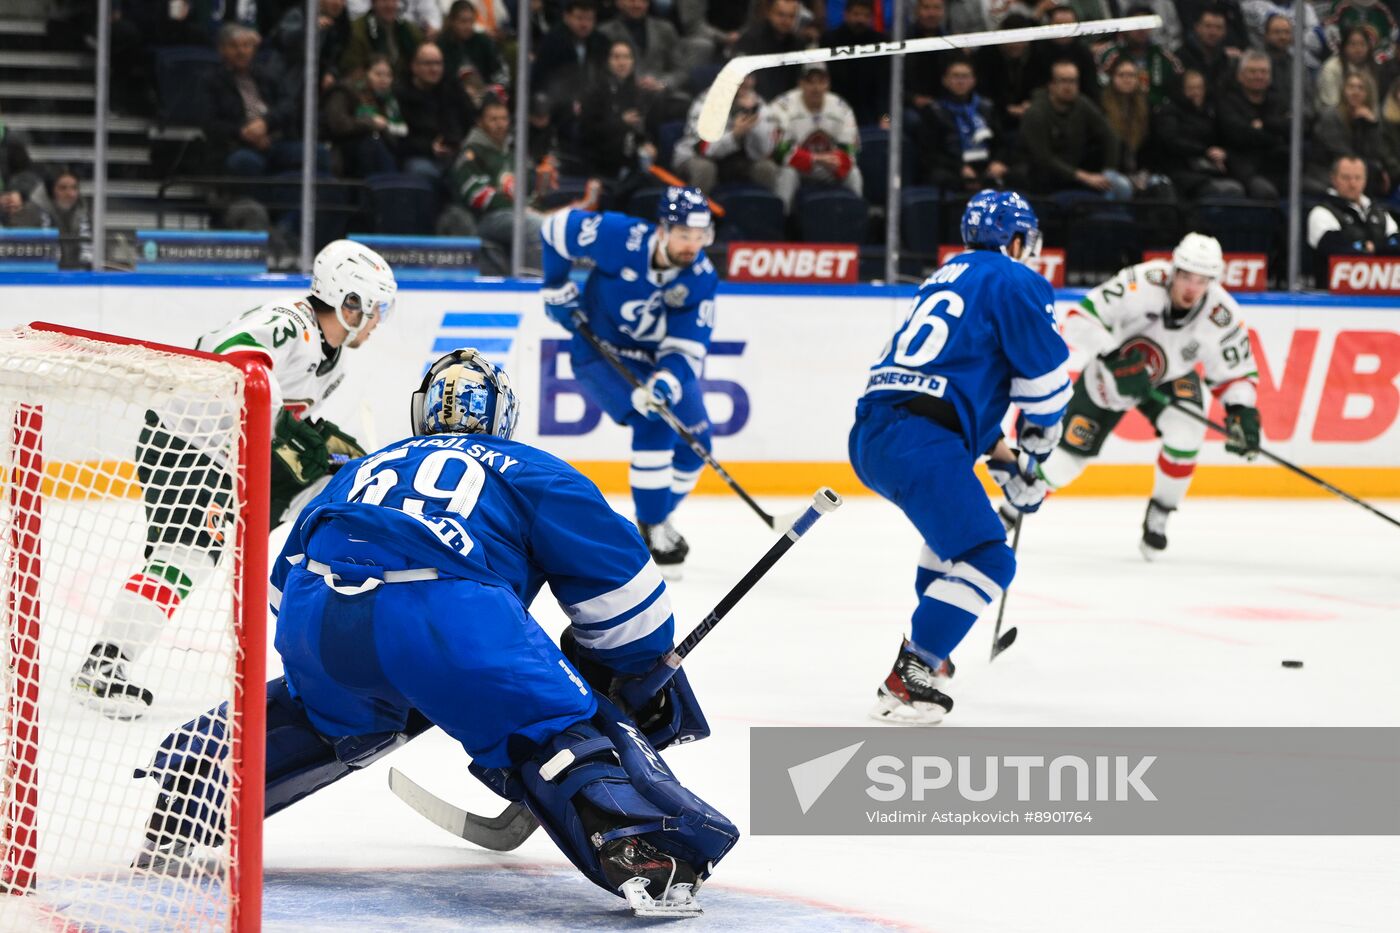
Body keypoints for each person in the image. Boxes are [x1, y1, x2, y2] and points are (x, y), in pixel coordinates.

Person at [130, 350, 737, 916]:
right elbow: (622, 595)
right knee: (557, 721)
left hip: (317, 616)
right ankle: (642, 848)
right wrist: (630, 671)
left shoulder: (368, 465)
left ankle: (191, 790)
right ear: (504, 416)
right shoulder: (530, 468)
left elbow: (281, 590)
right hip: (446, 613)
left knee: (327, 713)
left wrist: (375, 663)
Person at [70, 241, 398, 718]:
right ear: (349, 301)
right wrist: (286, 434)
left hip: (226, 457)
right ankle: (102, 666)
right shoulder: (289, 324)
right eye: (374, 310)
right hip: (185, 440)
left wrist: (312, 448)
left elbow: (287, 422)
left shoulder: (336, 362)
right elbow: (227, 358)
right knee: (185, 557)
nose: (376, 322)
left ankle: (341, 632)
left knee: (334, 487)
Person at [850, 190, 1071, 724]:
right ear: (1017, 241)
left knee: (950, 542)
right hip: (921, 441)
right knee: (990, 558)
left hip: (875, 433)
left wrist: (1001, 456)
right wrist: (1037, 454)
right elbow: (1046, 391)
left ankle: (936, 654)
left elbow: (948, 380)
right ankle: (914, 670)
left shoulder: (945, 277)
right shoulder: (1015, 280)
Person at [1024, 234, 1261, 559]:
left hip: (1171, 377)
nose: (1192, 288)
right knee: (1065, 464)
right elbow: (1078, 320)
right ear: (1173, 270)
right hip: (1109, 376)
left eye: (1203, 280)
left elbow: (1237, 372)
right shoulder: (1139, 281)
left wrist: (1240, 410)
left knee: (1188, 433)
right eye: (1187, 277)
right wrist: (1113, 356)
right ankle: (1012, 511)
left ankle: (1161, 512)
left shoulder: (1222, 315)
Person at [540, 187, 718, 574]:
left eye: (700, 236)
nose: (693, 245)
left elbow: (687, 348)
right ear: (663, 229)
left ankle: (656, 515)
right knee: (652, 420)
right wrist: (555, 284)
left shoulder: (701, 277)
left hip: (656, 360)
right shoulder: (620, 236)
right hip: (600, 353)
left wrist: (667, 380)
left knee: (698, 445)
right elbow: (554, 228)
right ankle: (652, 528)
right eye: (685, 234)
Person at [769, 62, 863, 214]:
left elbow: (850, 152)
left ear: (828, 84)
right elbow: (779, 152)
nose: (816, 88)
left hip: (829, 168)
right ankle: (782, 223)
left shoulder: (841, 108)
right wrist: (815, 159)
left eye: (821, 81)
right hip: (798, 169)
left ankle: (856, 219)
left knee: (854, 173)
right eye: (810, 82)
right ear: (800, 84)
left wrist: (835, 161)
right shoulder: (782, 106)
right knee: (787, 174)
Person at [1306, 154, 1400, 281]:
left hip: (1381, 293)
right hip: (1331, 296)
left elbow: (1397, 245)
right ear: (1333, 179)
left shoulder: (1379, 213)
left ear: (1365, 180)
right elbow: (1339, 251)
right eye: (1346, 177)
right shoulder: (1321, 213)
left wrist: (1370, 248)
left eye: (1358, 177)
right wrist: (1379, 248)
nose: (1352, 183)